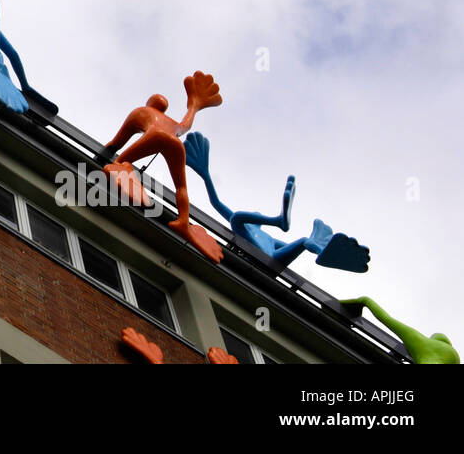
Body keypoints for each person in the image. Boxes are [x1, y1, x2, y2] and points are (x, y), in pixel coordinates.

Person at [183, 131, 369, 272]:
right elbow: (216, 203)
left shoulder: (268, 239)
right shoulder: (246, 230)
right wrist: (206, 175)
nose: (256, 216)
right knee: (236, 218)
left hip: (271, 260)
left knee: (304, 240)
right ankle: (278, 221)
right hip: (260, 257)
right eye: (256, 216)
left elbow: (286, 247)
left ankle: (321, 250)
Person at [95, 72, 223, 261]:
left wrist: (107, 150)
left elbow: (119, 139)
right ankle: (183, 221)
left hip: (155, 135)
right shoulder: (172, 122)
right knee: (181, 186)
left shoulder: (140, 111)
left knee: (120, 162)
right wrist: (194, 105)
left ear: (150, 103)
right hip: (175, 143)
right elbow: (185, 126)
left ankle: (125, 175)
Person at [341, 296, 458, 364]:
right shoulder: (428, 360)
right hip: (437, 355)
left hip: (447, 351)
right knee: (387, 319)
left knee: (388, 320)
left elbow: (440, 336)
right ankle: (365, 300)